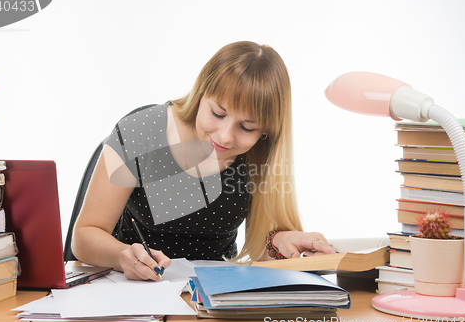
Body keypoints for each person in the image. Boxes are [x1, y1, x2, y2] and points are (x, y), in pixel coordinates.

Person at [71, 41, 336, 281]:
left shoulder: (261, 153)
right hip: (130, 288)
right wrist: (122, 256)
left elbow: (259, 258)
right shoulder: (140, 131)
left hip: (214, 295)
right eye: (217, 113)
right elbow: (84, 236)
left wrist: (280, 241)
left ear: (266, 131)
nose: (224, 136)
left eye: (246, 128)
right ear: (201, 94)